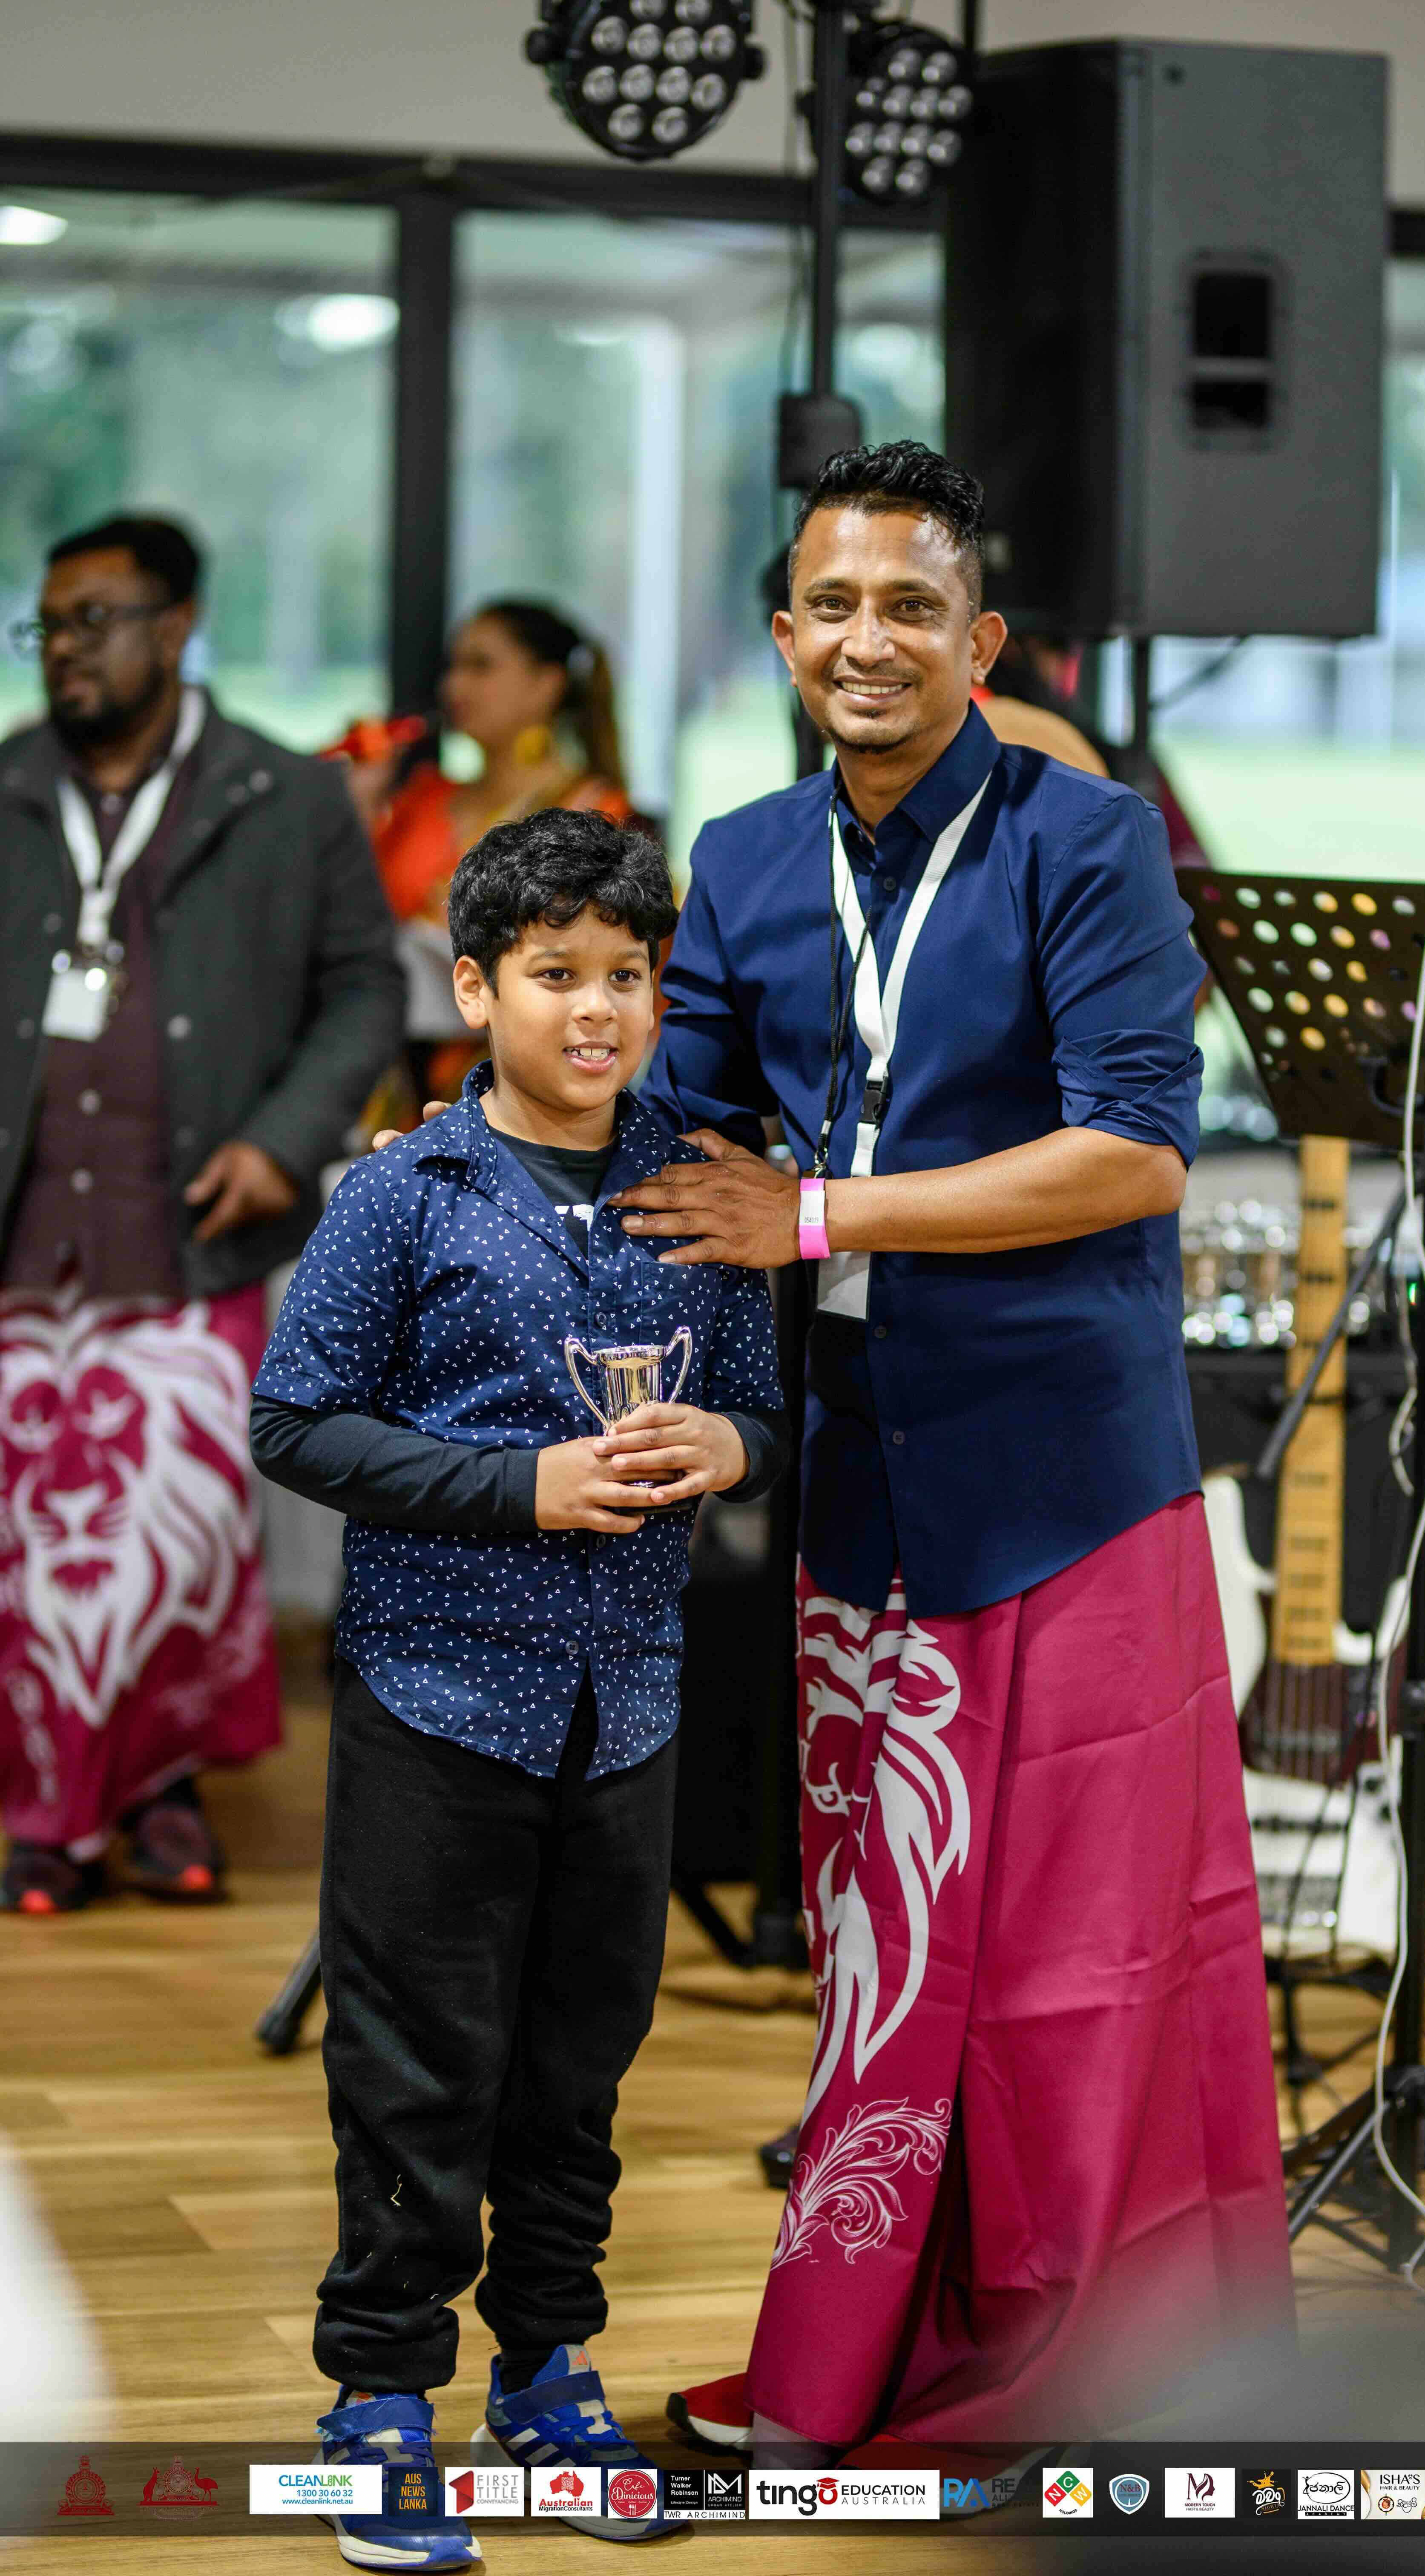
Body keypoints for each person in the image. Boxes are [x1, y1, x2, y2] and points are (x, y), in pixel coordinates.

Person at [610, 441, 1291, 2465]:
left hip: (1068, 1483)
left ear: (979, 641)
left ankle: (1089, 2371)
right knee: (889, 1947)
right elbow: (688, 1130)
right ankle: (858, 2361)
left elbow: (1135, 1149)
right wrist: (492, 1158)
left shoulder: (1085, 843)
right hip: (857, 1480)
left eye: (913, 607)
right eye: (833, 604)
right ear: (782, 632)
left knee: (1077, 1970)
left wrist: (817, 1217)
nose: (870, 639)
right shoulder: (737, 857)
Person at [249, 810, 787, 2570]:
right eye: (554, 975)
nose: (594, 1010)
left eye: (626, 976)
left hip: (627, 1699)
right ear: (476, 987)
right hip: (429, 1696)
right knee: (416, 2064)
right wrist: (520, 1489)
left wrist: (731, 1439)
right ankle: (379, 2397)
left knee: (582, 2058)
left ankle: (548, 2368)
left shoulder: (709, 1189)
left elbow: (773, 1417)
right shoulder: (402, 1194)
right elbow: (294, 1425)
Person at [0, 513, 403, 1916]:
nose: (64, 650)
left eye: (93, 620)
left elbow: (363, 983)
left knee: (173, 1532)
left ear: (175, 628)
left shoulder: (281, 794)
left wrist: (284, 1141)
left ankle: (158, 1789)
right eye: (46, 625)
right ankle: (50, 1812)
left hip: (191, 1226)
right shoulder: (6, 783)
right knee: (35, 1545)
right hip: (24, 1235)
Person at [353, 601, 634, 1111]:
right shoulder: (422, 799)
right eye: (453, 667)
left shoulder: (593, 810)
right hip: (397, 1082)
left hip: (526, 1093)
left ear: (545, 684)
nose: (454, 687)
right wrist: (363, 805)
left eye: (480, 666)